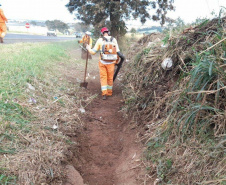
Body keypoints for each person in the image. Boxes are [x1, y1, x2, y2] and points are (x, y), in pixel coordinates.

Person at [86, 27, 124, 100]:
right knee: (110, 78)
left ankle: (104, 93)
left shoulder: (100, 40)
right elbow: (118, 52)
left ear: (102, 33)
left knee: (103, 77)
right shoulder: (114, 40)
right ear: (108, 32)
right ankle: (109, 92)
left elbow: (93, 52)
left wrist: (88, 48)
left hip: (102, 62)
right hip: (111, 62)